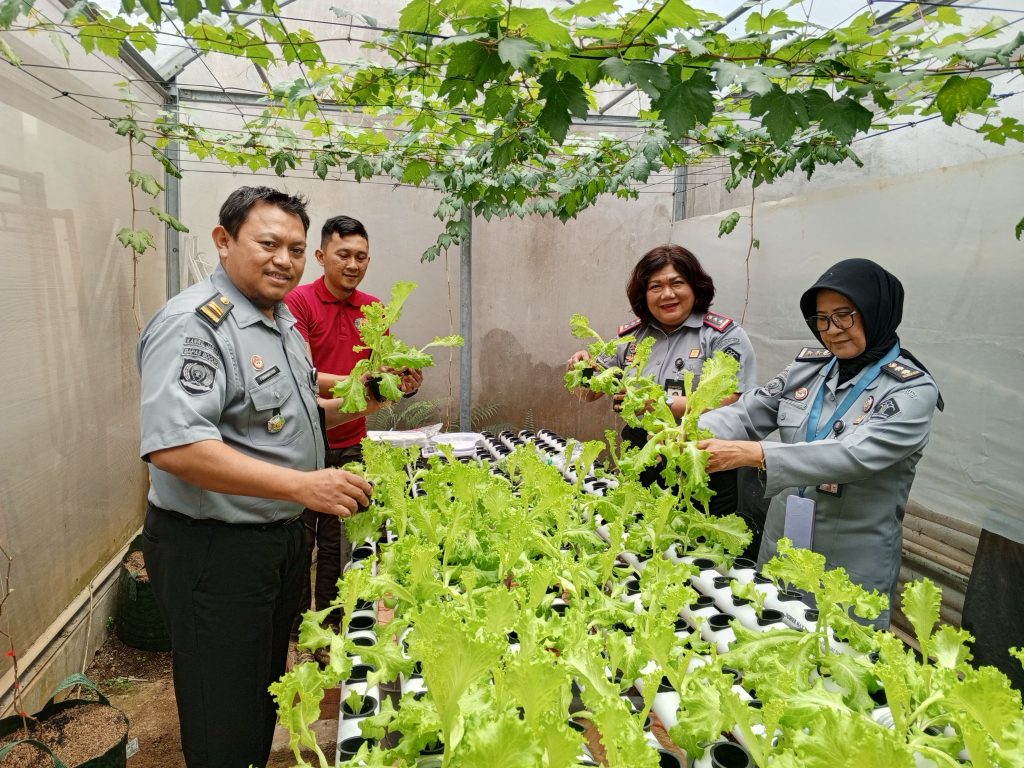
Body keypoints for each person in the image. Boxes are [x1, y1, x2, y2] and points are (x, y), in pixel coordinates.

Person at [137, 186, 374, 768]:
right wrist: (302, 485)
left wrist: (365, 392)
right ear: (224, 241)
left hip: (274, 542)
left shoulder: (278, 319)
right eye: (268, 243)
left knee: (257, 688)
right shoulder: (196, 325)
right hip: (215, 549)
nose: (284, 259)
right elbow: (177, 446)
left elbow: (295, 402)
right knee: (224, 708)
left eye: (295, 248)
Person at [698, 258, 942, 628]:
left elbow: (854, 453)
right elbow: (749, 412)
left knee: (837, 671)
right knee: (768, 645)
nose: (832, 330)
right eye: (821, 319)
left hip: (848, 566)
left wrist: (756, 453)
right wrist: (693, 432)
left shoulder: (912, 389)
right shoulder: (809, 369)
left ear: (877, 312)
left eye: (844, 315)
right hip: (783, 547)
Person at [283, 215, 422, 642]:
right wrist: (356, 382)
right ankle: (290, 631)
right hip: (304, 442)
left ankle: (330, 628)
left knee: (338, 544)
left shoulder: (374, 308)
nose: (353, 264)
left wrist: (404, 380)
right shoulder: (298, 302)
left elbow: (383, 370)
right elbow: (300, 371)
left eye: (361, 256)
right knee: (296, 540)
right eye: (343, 254)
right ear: (322, 256)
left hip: (352, 442)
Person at [567, 244, 759, 525]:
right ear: (644, 294)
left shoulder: (721, 336)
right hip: (643, 456)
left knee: (702, 548)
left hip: (702, 461)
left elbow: (733, 399)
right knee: (642, 541)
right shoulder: (632, 337)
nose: (667, 294)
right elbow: (590, 392)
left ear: (695, 286)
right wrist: (581, 369)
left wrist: (660, 404)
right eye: (655, 286)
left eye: (677, 283)